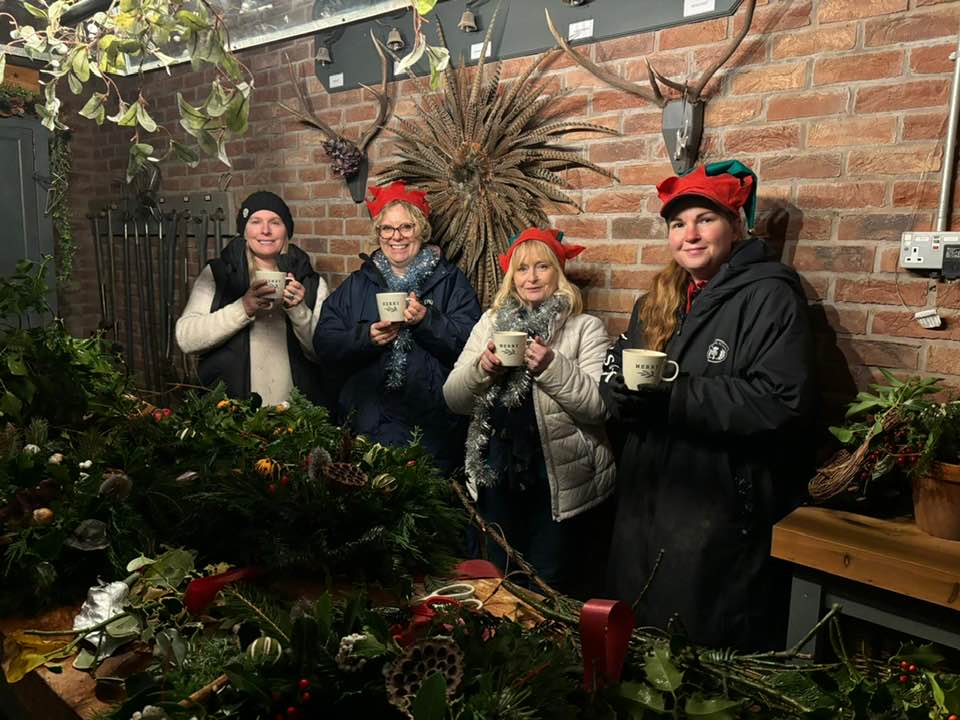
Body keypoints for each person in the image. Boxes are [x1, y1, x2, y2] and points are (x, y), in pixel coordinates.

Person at [600, 161, 817, 650]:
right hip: (644, 501)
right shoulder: (654, 300)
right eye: (678, 224)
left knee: (696, 651)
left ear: (735, 226)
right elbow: (619, 371)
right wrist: (616, 396)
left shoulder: (769, 296)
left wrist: (672, 394)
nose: (690, 235)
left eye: (705, 219)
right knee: (637, 645)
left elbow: (783, 403)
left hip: (715, 507)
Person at [443, 228, 615, 597]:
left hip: (557, 482)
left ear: (558, 273)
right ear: (512, 278)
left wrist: (551, 365)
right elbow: (453, 398)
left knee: (550, 586)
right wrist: (483, 369)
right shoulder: (490, 323)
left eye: (542, 267)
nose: (532, 277)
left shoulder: (585, 328)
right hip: (494, 474)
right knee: (494, 581)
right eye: (522, 269)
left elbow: (598, 408)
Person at [313, 181, 480, 473]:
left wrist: (427, 321)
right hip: (367, 428)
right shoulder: (357, 284)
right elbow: (324, 342)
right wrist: (366, 337)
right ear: (378, 233)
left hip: (432, 433)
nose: (396, 237)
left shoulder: (451, 281)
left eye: (406, 227)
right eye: (387, 229)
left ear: (422, 230)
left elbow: (470, 347)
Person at [176, 190, 329, 407]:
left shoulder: (311, 283)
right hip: (228, 414)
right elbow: (186, 339)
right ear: (244, 231)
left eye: (275, 222)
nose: (265, 230)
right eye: (256, 221)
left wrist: (298, 310)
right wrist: (243, 308)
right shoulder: (217, 275)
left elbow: (324, 353)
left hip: (294, 416)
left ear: (287, 231)